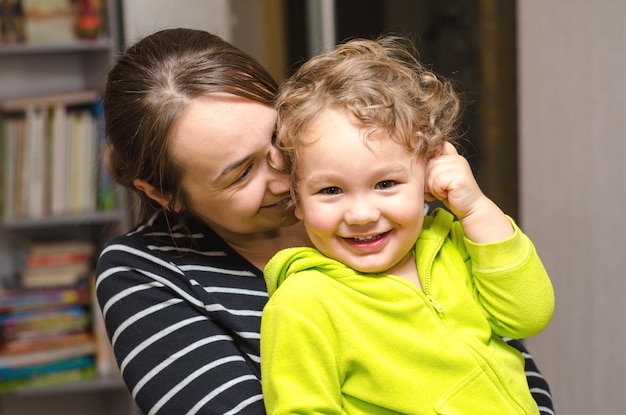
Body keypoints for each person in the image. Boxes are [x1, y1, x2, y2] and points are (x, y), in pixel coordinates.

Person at [95, 28, 554, 415]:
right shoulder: (146, 271)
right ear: (163, 193)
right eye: (241, 173)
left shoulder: (391, 214)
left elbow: (502, 350)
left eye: (279, 136)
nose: (284, 173)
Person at [260, 36, 555, 414]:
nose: (362, 214)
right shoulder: (303, 304)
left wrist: (477, 209)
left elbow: (529, 314)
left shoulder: (454, 242)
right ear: (297, 199)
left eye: (386, 184)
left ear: (428, 173)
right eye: (331, 190)